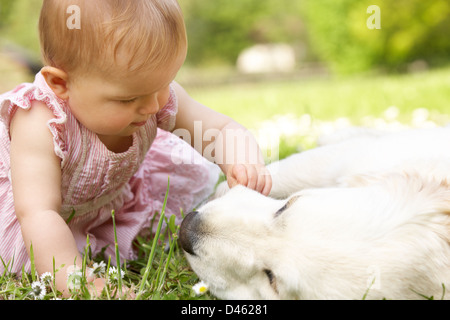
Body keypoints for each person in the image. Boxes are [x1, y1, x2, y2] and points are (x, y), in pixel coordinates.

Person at [0, 0, 271, 296]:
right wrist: (77, 280)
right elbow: (38, 213)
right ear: (60, 84)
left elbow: (219, 131)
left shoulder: (151, 96)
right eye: (129, 99)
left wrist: (242, 162)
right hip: (36, 215)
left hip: (106, 202)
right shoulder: (39, 120)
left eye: (164, 84)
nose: (154, 106)